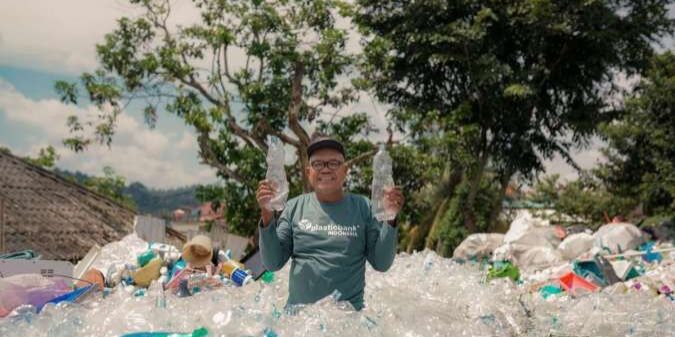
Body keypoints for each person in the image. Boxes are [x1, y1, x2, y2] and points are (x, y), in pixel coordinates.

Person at [256, 135, 404, 310]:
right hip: (298, 320)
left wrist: (390, 218)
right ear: (308, 171)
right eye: (318, 164)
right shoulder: (293, 207)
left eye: (334, 163)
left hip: (346, 320)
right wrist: (266, 213)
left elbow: (382, 263)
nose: (326, 169)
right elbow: (272, 263)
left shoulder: (364, 207)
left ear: (345, 170)